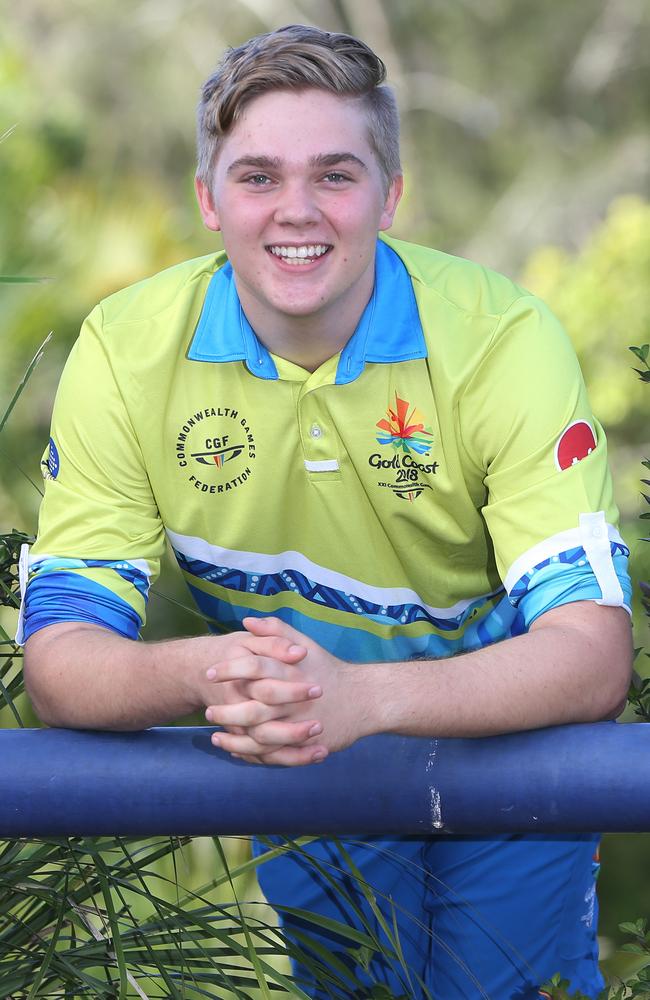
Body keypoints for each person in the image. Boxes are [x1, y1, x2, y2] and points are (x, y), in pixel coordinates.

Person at [21, 23, 632, 1000]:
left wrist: (363, 700)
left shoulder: (502, 338)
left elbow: (591, 652)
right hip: (295, 753)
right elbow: (61, 664)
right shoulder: (126, 348)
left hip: (505, 747)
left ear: (389, 194)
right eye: (257, 175)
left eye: (334, 175)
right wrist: (225, 670)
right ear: (207, 199)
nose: (294, 210)